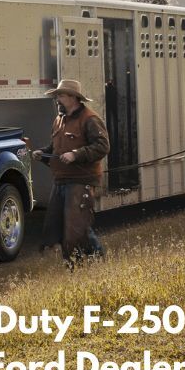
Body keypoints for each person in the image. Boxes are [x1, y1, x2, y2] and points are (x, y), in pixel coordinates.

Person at [31, 80, 109, 263]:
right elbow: (56, 147)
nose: (57, 99)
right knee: (61, 224)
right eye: (57, 95)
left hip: (81, 180)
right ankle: (84, 261)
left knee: (76, 226)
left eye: (61, 95)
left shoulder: (90, 119)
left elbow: (103, 146)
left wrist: (76, 155)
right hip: (61, 180)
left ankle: (92, 261)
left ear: (74, 98)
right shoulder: (59, 120)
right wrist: (43, 153)